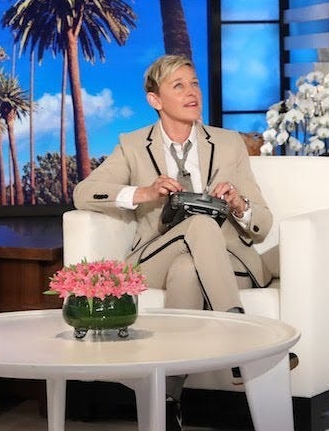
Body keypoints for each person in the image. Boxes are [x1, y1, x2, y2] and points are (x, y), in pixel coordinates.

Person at [74, 54, 276, 431]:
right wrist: (144, 192)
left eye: (194, 83)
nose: (191, 92)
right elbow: (84, 193)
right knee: (197, 226)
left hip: (221, 260)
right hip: (154, 258)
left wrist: (238, 203)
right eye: (178, 86)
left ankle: (168, 401)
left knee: (187, 270)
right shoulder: (133, 145)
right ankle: (241, 340)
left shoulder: (228, 144)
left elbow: (262, 224)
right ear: (155, 99)